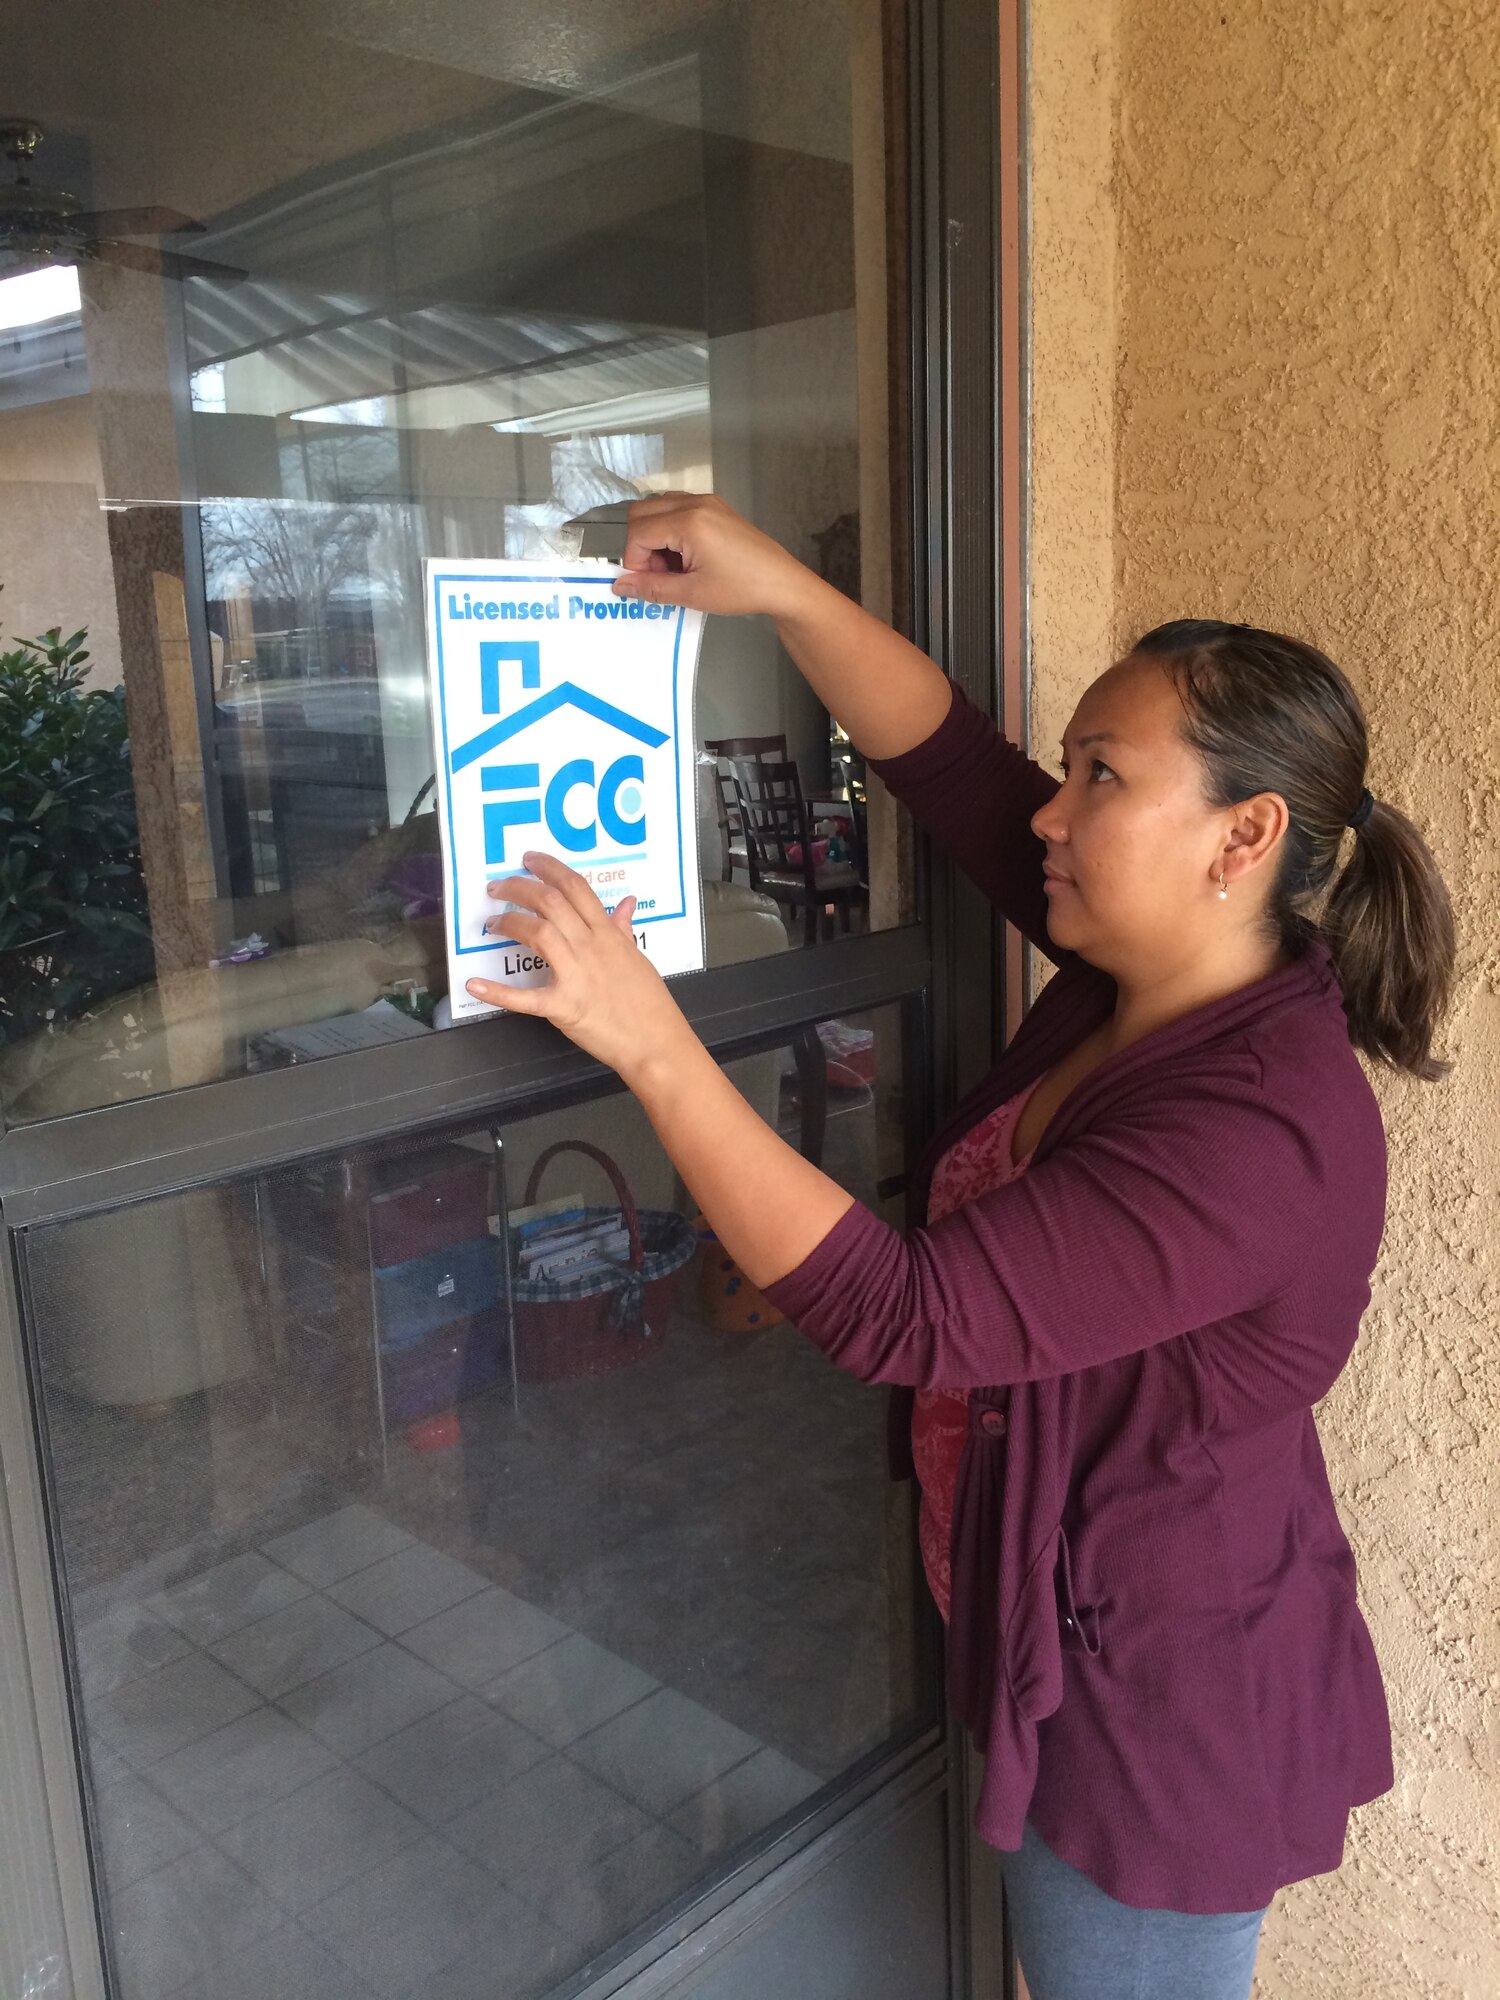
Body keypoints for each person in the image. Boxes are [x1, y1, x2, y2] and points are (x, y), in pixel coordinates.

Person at [464, 492, 1457, 2000]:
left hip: (1158, 1725)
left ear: (1241, 837)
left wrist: (648, 1040)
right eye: (1070, 767)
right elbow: (947, 757)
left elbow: (905, 1313)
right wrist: (784, 588)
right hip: (1065, 1631)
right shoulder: (1145, 969)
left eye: (1102, 776)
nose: (1052, 813)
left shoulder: (1260, 1127)